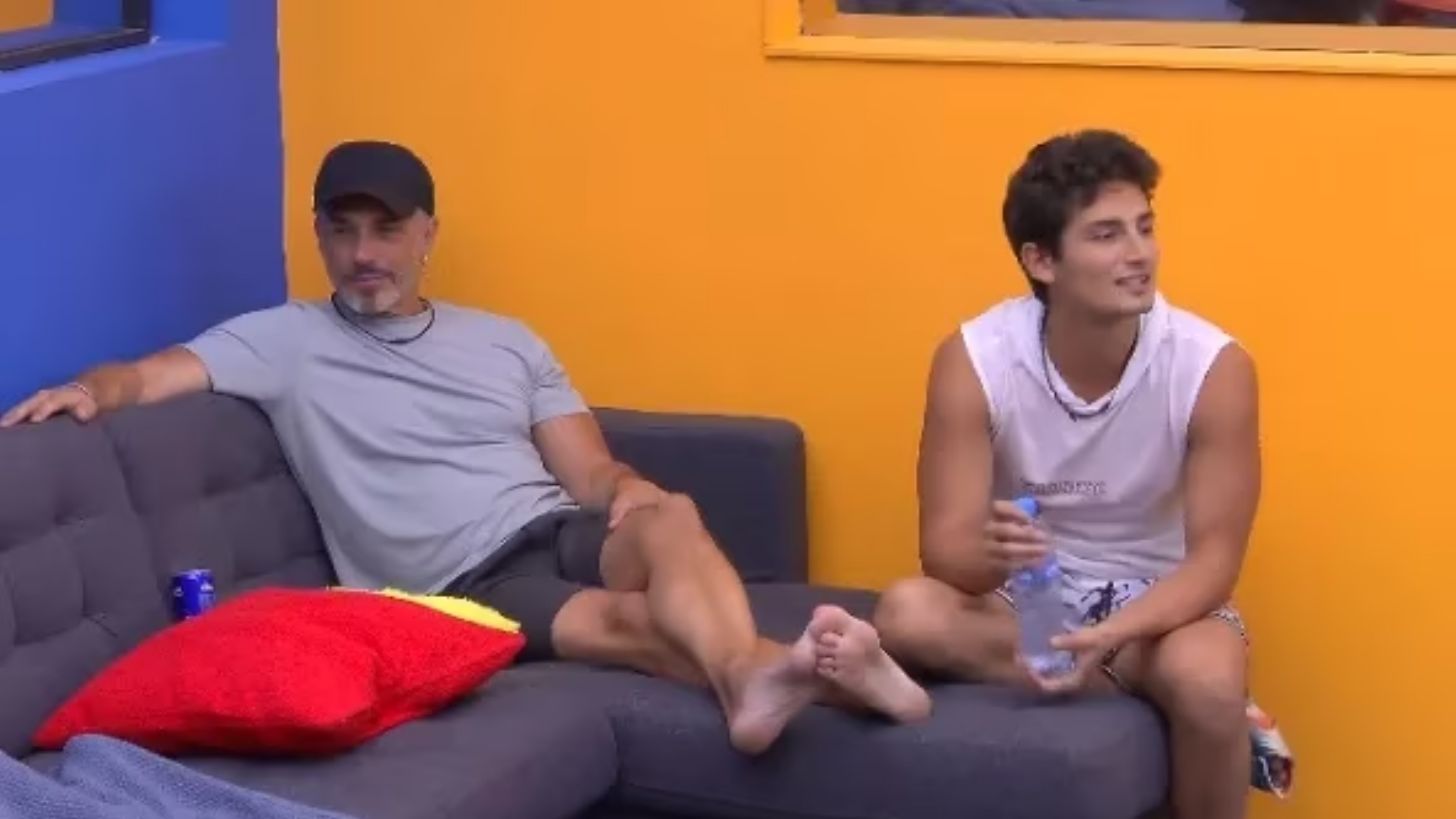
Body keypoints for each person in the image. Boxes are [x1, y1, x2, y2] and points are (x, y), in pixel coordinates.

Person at [1, 140, 931, 754]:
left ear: (428, 235)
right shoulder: (281, 340)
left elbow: (588, 472)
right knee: (636, 627)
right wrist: (91, 390)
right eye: (342, 230)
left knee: (671, 513)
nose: (365, 253)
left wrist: (628, 486)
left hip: (551, 525)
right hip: (462, 581)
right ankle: (797, 677)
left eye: (387, 229)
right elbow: (147, 375)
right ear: (319, 235)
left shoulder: (506, 341)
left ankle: (761, 679)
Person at [871, 130, 1289, 818]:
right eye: (1106, 235)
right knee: (908, 613)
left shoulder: (1212, 367)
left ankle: (1165, 696)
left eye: (1144, 228)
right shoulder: (975, 358)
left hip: (1161, 609)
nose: (1139, 253)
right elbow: (944, 552)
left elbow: (1214, 563)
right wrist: (997, 553)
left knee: (1207, 680)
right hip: (1028, 603)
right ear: (1041, 260)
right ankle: (1146, 699)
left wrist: (1110, 636)